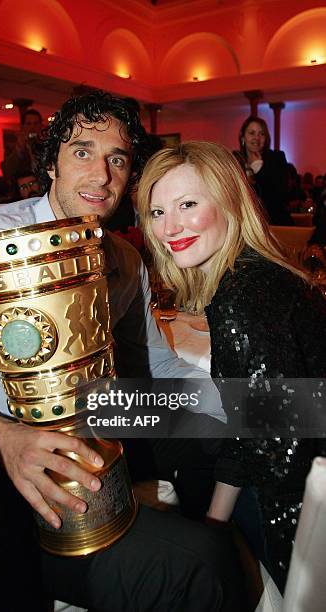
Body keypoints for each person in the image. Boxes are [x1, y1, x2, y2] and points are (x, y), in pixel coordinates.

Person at [0, 92, 246, 611]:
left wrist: (240, 397)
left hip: (102, 427)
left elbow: (153, 362)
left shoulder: (124, 256)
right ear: (50, 163)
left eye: (118, 158)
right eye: (83, 152)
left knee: (244, 433)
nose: (101, 176)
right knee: (202, 566)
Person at [137, 140, 326, 593]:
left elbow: (277, 453)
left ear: (229, 202)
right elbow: (260, 425)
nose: (170, 227)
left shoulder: (244, 295)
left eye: (187, 204)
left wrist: (221, 530)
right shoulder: (253, 275)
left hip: (301, 507)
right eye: (157, 212)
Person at [234, 116, 292, 226]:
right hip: (246, 225)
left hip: (275, 224)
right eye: (252, 133)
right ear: (243, 137)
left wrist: (259, 170)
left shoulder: (277, 157)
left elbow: (281, 196)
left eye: (261, 134)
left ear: (266, 139)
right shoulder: (236, 160)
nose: (257, 138)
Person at [2, 108, 43, 190]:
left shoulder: (46, 146)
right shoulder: (12, 147)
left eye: (36, 123)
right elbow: (7, 172)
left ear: (40, 126)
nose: (32, 127)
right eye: (28, 124)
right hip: (22, 192)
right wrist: (19, 148)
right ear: (23, 126)